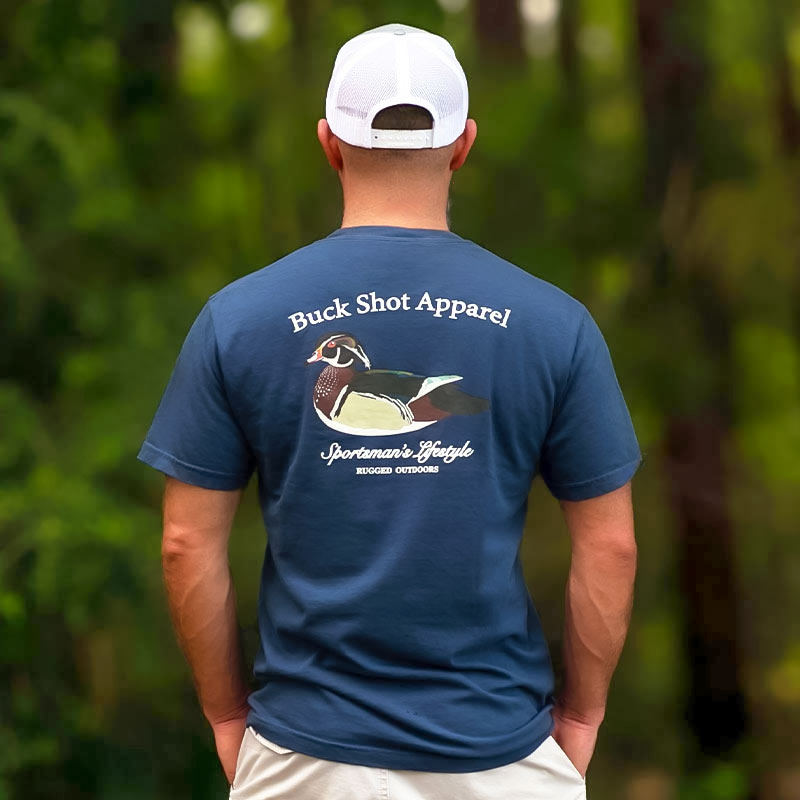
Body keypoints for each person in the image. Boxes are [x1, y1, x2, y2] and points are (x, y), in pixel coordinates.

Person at [139, 23, 640, 800]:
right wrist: (581, 719)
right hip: (503, 754)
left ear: (328, 144)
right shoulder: (555, 323)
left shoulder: (238, 319)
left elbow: (183, 543)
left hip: (304, 754)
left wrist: (227, 719)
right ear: (464, 144)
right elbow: (609, 549)